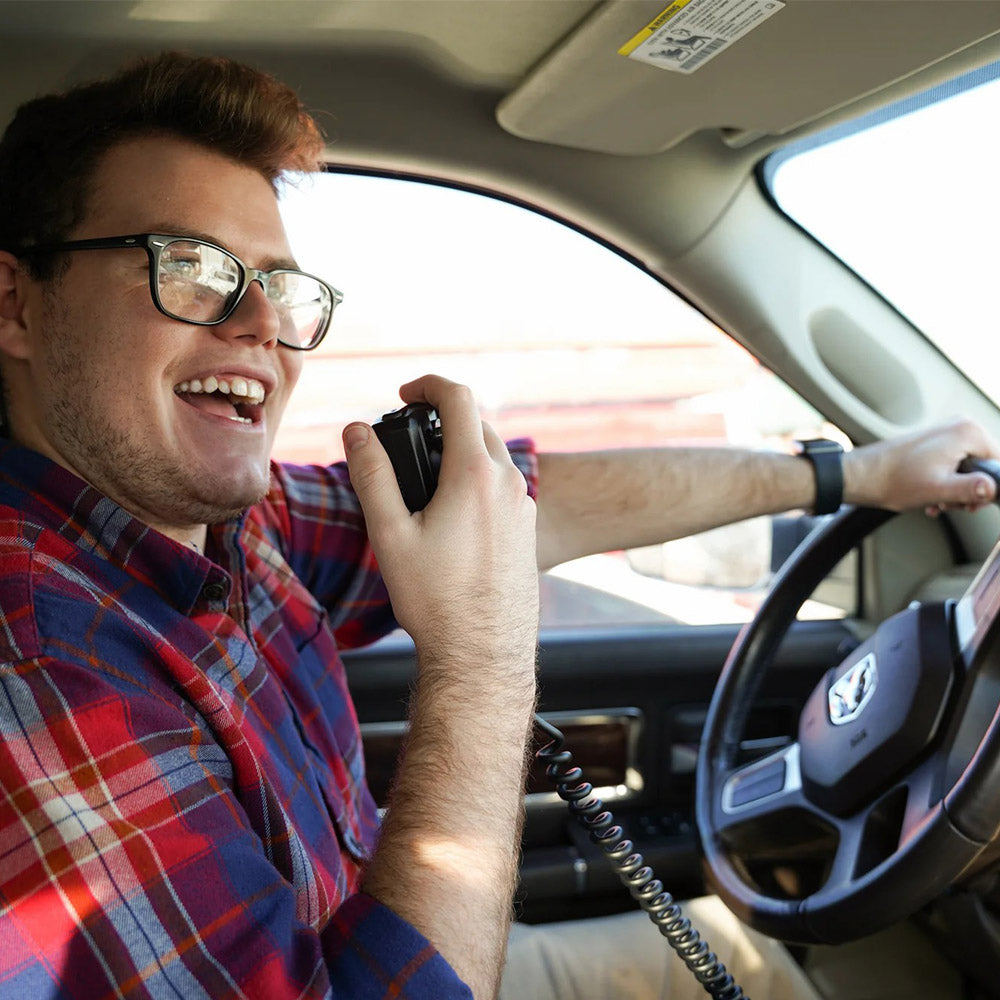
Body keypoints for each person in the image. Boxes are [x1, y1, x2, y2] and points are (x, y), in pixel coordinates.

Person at [0, 53, 994, 1000]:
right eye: (193, 265)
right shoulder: (35, 662)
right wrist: (477, 662)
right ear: (17, 306)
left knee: (739, 955)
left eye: (280, 283)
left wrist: (855, 472)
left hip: (389, 939)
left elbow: (537, 501)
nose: (261, 320)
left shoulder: (229, 525)